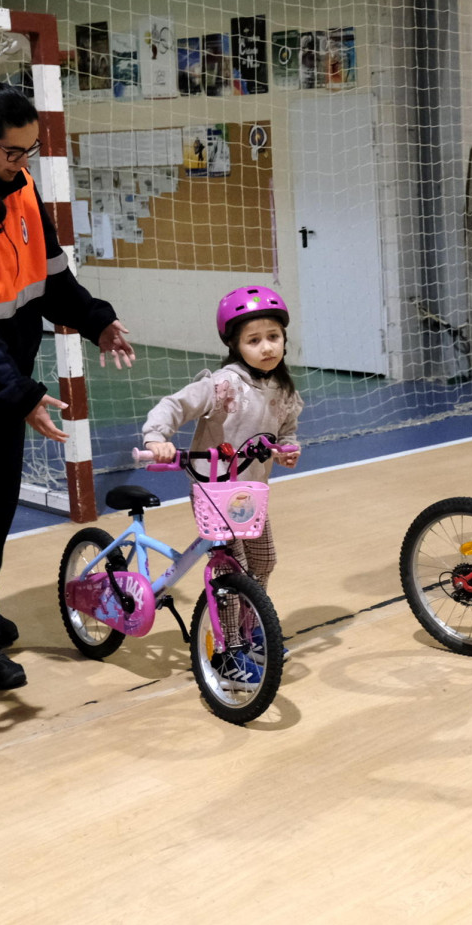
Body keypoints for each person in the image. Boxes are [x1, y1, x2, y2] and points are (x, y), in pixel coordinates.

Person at [0, 84, 135, 691]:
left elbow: (54, 281)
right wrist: (20, 392)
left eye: (30, 151)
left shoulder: (23, 190)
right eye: (10, 153)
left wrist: (98, 320)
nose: (21, 164)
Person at [143, 285, 302, 689]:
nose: (266, 347)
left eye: (273, 337)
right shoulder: (222, 385)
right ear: (234, 345)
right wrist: (156, 437)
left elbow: (288, 432)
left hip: (250, 494)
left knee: (264, 563)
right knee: (233, 571)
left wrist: (287, 450)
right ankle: (227, 650)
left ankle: (250, 631)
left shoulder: (283, 390)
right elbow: (174, 406)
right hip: (215, 492)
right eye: (254, 340)